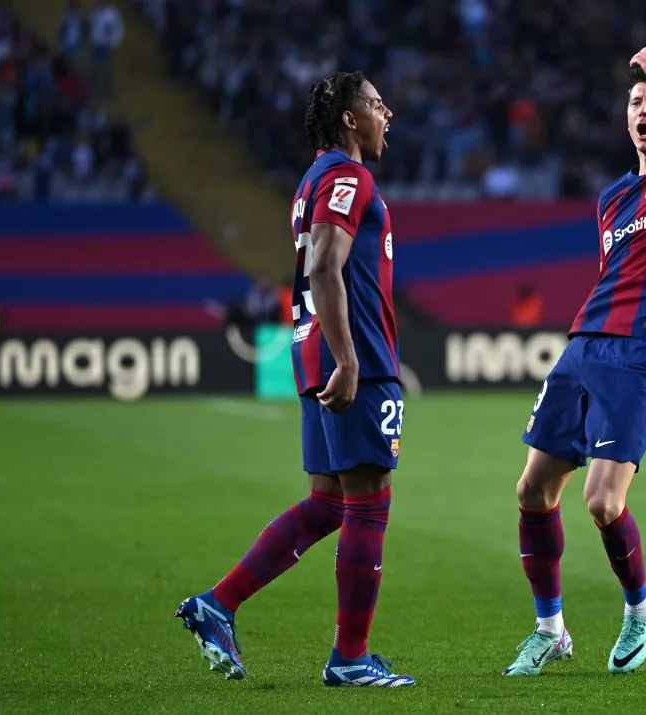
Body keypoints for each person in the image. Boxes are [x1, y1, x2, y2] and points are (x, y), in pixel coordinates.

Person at [175, 70, 416, 688]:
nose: (386, 113)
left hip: (313, 354)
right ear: (347, 118)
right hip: (351, 356)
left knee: (328, 502)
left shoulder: (314, 180)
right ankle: (351, 658)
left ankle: (218, 603)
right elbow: (325, 264)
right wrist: (350, 358)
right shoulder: (346, 176)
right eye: (375, 103)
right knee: (368, 504)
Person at [502, 47, 646, 677]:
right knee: (532, 489)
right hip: (584, 346)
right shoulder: (611, 199)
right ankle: (550, 629)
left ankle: (640, 611)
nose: (645, 110)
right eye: (636, 103)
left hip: (644, 353)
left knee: (602, 502)